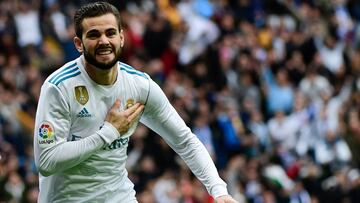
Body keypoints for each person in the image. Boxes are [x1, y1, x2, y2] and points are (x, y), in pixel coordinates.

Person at [33, 2, 238, 203]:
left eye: (111, 33)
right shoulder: (58, 87)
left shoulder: (140, 86)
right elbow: (47, 161)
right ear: (79, 43)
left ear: (122, 38)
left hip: (119, 196)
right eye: (94, 35)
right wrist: (109, 132)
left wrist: (218, 190)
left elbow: (185, 141)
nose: (104, 41)